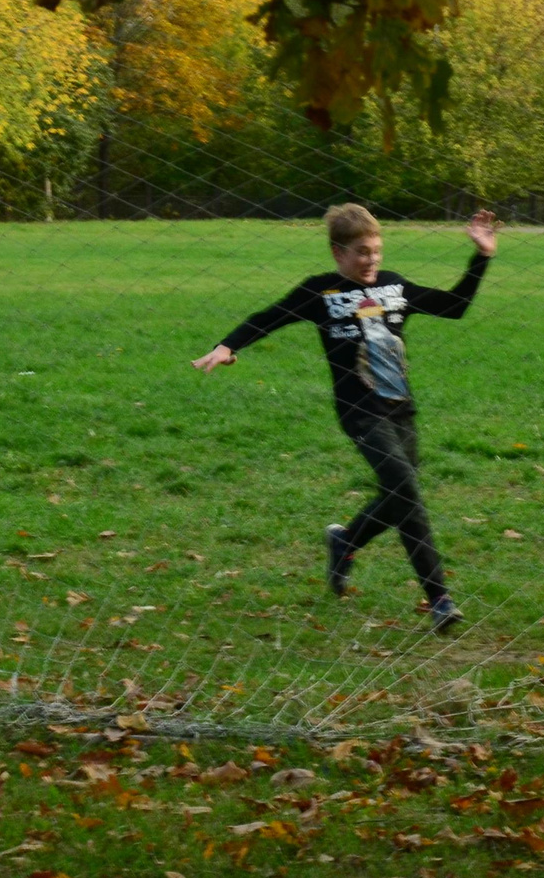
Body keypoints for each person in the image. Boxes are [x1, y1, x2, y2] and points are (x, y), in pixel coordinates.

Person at [193, 203, 498, 633]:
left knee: (398, 497)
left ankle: (346, 541)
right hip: (359, 412)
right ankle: (440, 598)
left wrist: (481, 257)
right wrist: (228, 346)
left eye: (375, 250)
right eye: (360, 251)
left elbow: (455, 306)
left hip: (401, 410)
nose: (371, 259)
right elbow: (269, 318)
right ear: (338, 254)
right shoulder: (320, 293)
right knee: (406, 492)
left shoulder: (395, 287)